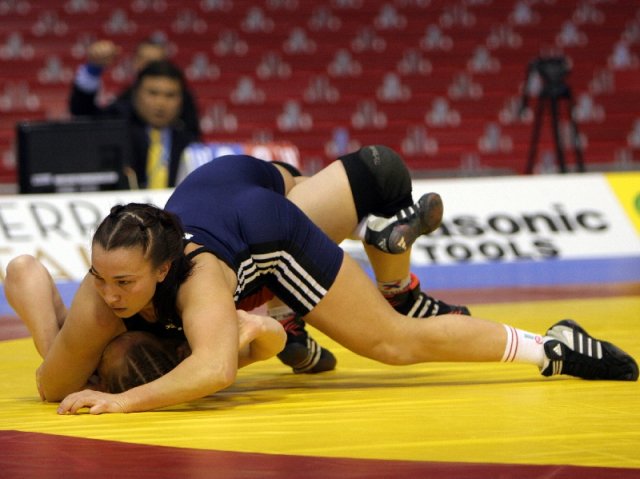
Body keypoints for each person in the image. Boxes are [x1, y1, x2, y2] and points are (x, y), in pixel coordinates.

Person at [5, 146, 637, 415]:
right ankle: (363, 290)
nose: (109, 295)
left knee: (390, 342)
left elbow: (215, 371)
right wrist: (72, 350)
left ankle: (549, 344)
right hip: (239, 182)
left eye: (123, 283)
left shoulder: (198, 280)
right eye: (99, 279)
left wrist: (119, 398)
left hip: (263, 225)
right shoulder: (107, 283)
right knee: (361, 180)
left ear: (163, 271)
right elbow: (48, 384)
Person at [72, 58, 198, 189]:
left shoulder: (189, 141)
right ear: (136, 94)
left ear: (181, 100)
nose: (161, 103)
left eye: (170, 95)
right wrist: (93, 70)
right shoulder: (116, 128)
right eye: (153, 93)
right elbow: (83, 113)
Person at [69, 37, 201, 139]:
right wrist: (93, 69)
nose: (160, 102)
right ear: (133, 62)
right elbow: (86, 117)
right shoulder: (125, 102)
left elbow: (193, 139)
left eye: (155, 63)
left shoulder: (183, 100)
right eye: (143, 60)